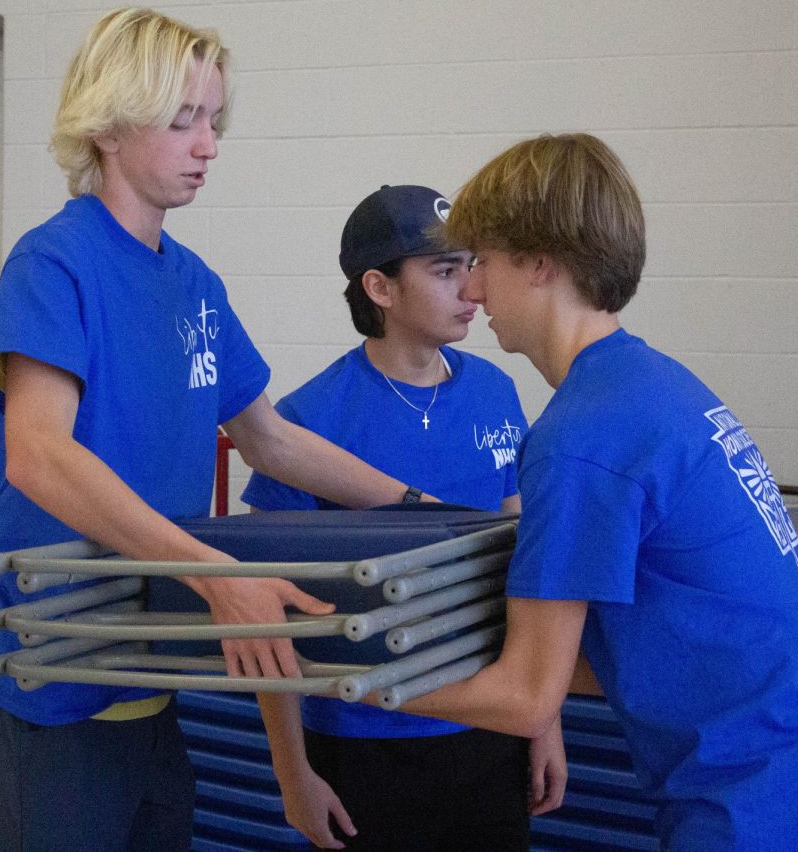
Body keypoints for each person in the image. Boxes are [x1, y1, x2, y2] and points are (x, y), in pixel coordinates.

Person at [0, 8, 437, 852]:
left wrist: (421, 506)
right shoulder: (56, 262)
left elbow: (270, 438)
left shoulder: (194, 284)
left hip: (148, 663)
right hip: (54, 674)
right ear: (107, 126)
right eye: (183, 120)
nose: (208, 143)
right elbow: (37, 454)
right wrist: (216, 572)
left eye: (213, 120)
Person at [385, 133, 798, 852]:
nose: (472, 290)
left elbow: (527, 697)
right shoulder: (653, 383)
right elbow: (645, 648)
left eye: (483, 262)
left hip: (765, 801)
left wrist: (337, 677)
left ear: (539, 263)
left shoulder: (583, 436)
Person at [242, 184, 565, 850]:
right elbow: (266, 613)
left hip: (490, 723)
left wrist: (544, 717)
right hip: (363, 742)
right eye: (446, 272)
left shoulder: (495, 391)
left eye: (470, 266)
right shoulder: (310, 422)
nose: (472, 289)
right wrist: (292, 771)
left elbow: (526, 567)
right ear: (380, 289)